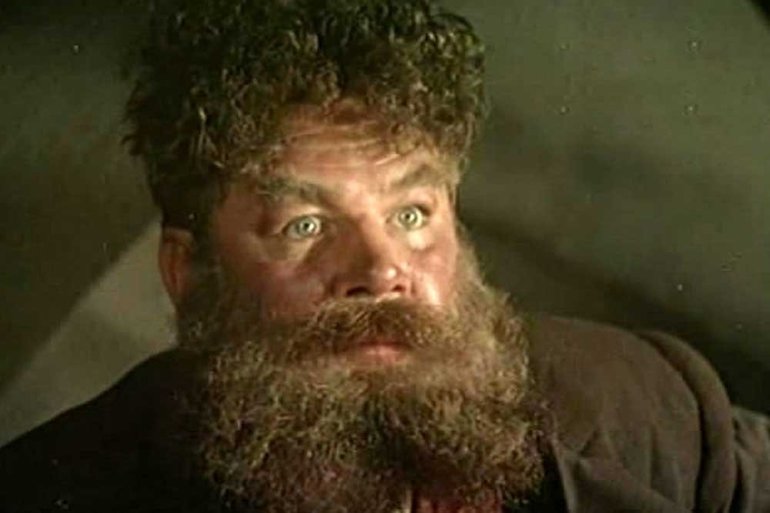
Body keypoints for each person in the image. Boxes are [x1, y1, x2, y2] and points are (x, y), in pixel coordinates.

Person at [1, 0, 768, 511]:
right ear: (187, 271)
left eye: (410, 214)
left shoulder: (644, 401)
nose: (380, 269)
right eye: (304, 225)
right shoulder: (55, 490)